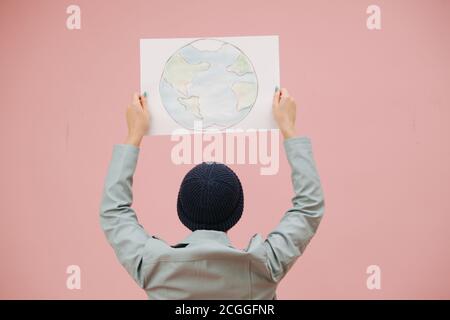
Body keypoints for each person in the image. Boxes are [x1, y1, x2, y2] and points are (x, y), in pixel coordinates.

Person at [99, 88, 325, 299]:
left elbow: (114, 213)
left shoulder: (152, 265)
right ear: (237, 212)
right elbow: (309, 207)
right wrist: (288, 128)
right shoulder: (264, 266)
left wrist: (134, 135)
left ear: (181, 210)